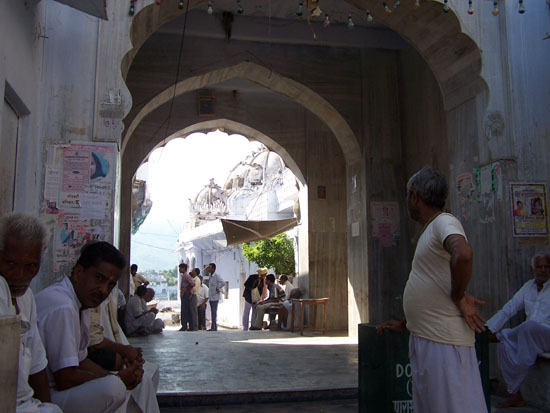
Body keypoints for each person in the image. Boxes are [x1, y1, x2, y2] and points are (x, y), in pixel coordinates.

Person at [377, 167, 487, 413]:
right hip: (429, 339)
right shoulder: (432, 229)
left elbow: (464, 254)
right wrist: (407, 322)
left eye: (408, 196)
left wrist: (458, 295)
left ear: (414, 196)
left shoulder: (444, 221)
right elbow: (436, 283)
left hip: (444, 345)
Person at [35, 241, 144, 413]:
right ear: (79, 273)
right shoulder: (63, 305)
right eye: (99, 278)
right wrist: (115, 380)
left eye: (110, 285)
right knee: (113, 390)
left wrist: (115, 377)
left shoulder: (80, 303)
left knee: (116, 385)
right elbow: (65, 378)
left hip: (57, 391)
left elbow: (81, 360)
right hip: (42, 398)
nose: (103, 290)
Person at [0, 213, 62, 413]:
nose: (19, 275)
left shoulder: (26, 298)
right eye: (10, 264)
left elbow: (36, 364)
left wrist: (48, 406)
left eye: (31, 266)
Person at [486, 252, 550, 408]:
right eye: (539, 267)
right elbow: (510, 308)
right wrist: (487, 327)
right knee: (504, 347)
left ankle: (502, 335)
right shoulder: (528, 287)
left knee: (530, 326)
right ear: (532, 269)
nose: (543, 270)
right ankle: (516, 395)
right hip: (528, 337)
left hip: (546, 336)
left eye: (547, 267)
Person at [89, 287, 161, 413]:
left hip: (109, 359)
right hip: (100, 365)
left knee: (149, 372)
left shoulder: (110, 299)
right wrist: (120, 366)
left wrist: (128, 356)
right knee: (123, 387)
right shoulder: (78, 304)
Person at [208, 263, 225, 331]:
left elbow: (223, 282)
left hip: (215, 296)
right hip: (211, 296)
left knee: (214, 312)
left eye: (210, 267)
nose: (209, 269)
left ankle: (213, 327)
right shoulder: (210, 276)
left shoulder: (216, 275)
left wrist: (218, 287)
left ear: (213, 268)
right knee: (212, 312)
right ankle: (213, 326)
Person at [179, 263, 196, 331]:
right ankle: (187, 326)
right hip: (184, 295)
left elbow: (192, 283)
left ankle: (185, 326)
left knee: (185, 311)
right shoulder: (184, 276)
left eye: (180, 268)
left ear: (184, 268)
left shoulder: (186, 276)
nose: (179, 269)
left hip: (186, 295)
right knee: (186, 311)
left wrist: (187, 289)